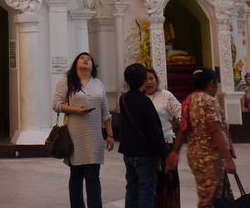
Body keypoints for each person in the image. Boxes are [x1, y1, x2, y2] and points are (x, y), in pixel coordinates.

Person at [166, 68, 236, 208]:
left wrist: (175, 152)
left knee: (217, 195)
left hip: (195, 154)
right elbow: (215, 131)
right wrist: (228, 159)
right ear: (211, 83)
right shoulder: (209, 101)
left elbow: (183, 129)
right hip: (210, 156)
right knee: (208, 199)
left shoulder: (188, 100)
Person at [52, 52, 114, 208]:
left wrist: (110, 135)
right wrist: (74, 109)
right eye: (82, 58)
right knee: (76, 176)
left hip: (94, 138)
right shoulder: (66, 82)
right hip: (75, 136)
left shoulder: (98, 83)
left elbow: (105, 112)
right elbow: (56, 104)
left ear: (92, 66)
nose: (86, 60)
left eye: (89, 59)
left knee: (93, 177)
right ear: (76, 64)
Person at [117, 63, 166, 208]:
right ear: (144, 80)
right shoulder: (145, 101)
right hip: (144, 153)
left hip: (129, 151)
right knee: (146, 189)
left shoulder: (124, 99)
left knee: (132, 187)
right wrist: (163, 152)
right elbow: (153, 129)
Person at [142, 67, 181, 208]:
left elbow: (180, 112)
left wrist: (178, 121)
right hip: (146, 148)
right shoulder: (139, 98)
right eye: (145, 79)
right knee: (150, 184)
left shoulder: (166, 95)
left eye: (151, 78)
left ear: (156, 80)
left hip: (166, 144)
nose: (148, 82)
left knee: (168, 182)